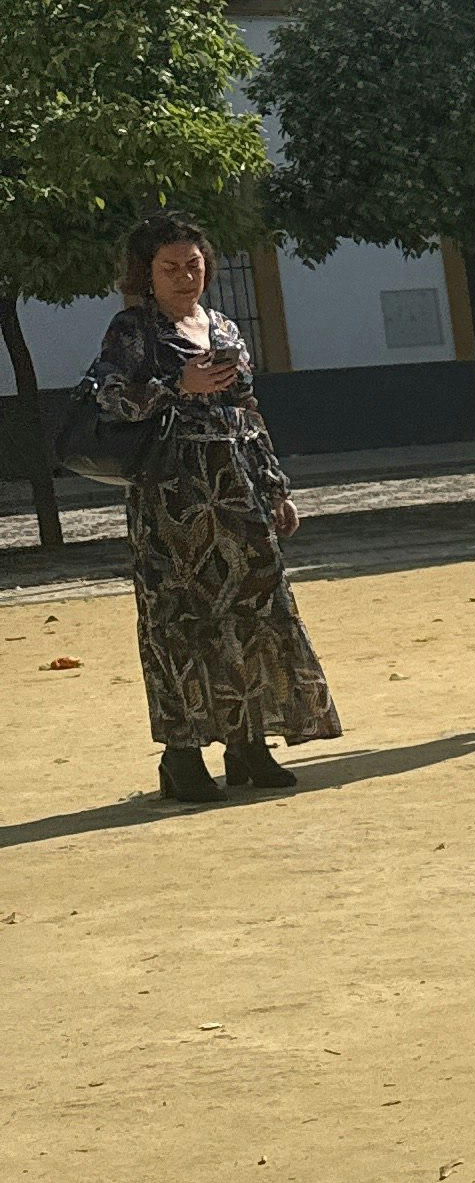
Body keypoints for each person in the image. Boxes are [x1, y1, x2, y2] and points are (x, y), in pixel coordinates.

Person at [81, 214, 340, 805]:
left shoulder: (221, 325)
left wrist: (276, 489)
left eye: (194, 265)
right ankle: (182, 756)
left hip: (238, 492)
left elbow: (247, 409)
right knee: (182, 621)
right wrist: (177, 384)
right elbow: (106, 395)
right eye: (170, 268)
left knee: (255, 610)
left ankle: (248, 743)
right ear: (146, 274)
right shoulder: (133, 329)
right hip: (173, 498)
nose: (185, 277)